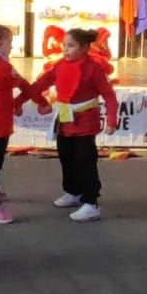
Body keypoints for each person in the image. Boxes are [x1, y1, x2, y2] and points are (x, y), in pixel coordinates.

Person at [27, 28, 120, 222]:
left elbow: (109, 95)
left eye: (71, 46)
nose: (65, 50)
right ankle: (73, 191)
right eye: (64, 46)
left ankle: (91, 202)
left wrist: (112, 120)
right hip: (64, 119)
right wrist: (18, 101)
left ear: (85, 48)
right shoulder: (59, 65)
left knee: (86, 162)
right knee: (66, 158)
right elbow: (40, 84)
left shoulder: (94, 69)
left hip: (85, 122)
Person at [0, 23, 49, 224]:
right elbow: (26, 86)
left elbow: (1, 91)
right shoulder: (3, 68)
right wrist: (42, 103)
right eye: (10, 43)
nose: (12, 47)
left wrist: (14, 104)